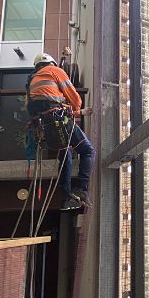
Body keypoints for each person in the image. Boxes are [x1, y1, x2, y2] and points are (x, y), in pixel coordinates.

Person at [26, 52, 95, 210]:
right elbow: (75, 99)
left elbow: (46, 106)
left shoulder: (31, 81)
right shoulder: (55, 71)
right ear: (52, 63)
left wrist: (79, 113)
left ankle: (67, 197)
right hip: (59, 120)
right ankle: (81, 190)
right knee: (88, 151)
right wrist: (78, 110)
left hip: (46, 127)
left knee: (65, 156)